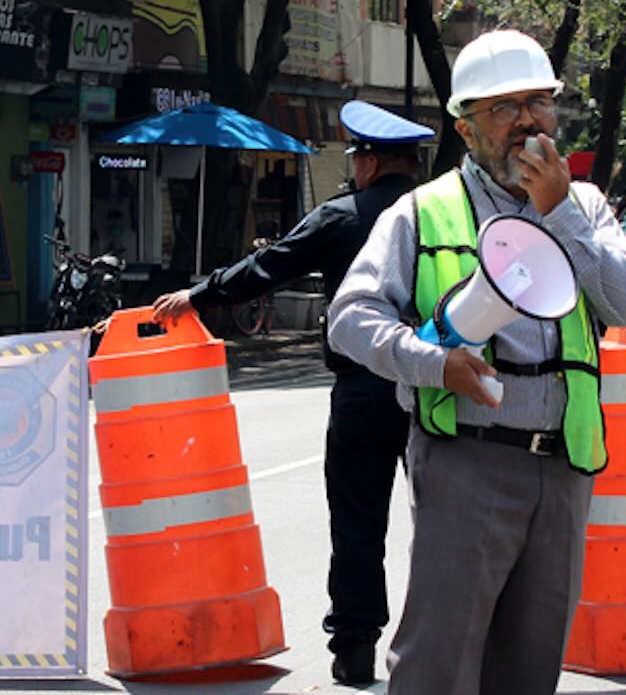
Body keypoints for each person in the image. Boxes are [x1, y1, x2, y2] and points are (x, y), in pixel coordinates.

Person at [327, 30, 626, 694]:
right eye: (506, 108)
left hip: (563, 466)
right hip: (466, 459)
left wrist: (561, 213)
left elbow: (623, 304)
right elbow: (349, 320)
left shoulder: (584, 205)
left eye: (540, 103)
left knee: (530, 669)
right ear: (467, 128)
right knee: (437, 666)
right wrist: (432, 363)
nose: (529, 122)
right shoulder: (421, 211)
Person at [151, 101, 434, 685]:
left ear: (370, 161)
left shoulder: (343, 216)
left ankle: (355, 649)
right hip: (435, 388)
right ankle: (442, 645)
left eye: (355, 157)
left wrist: (199, 296)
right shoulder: (445, 217)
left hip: (362, 391)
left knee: (357, 522)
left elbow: (269, 266)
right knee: (442, 522)